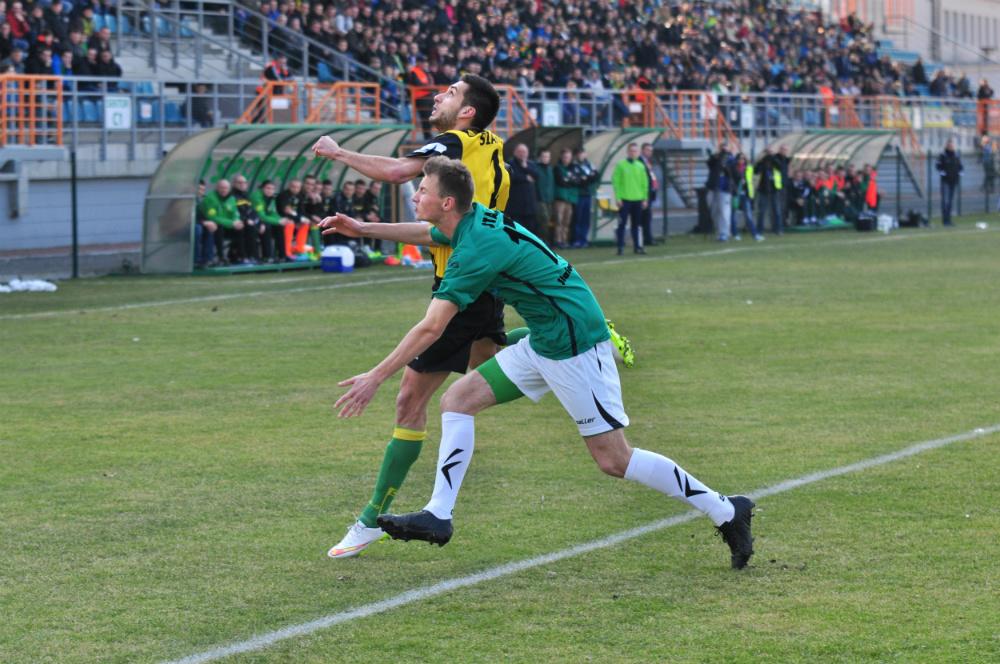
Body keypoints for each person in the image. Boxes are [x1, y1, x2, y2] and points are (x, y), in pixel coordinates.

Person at [319, 156, 756, 570]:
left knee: (613, 459)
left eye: (423, 190)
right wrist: (361, 228)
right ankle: (439, 514)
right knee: (457, 400)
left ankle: (725, 510)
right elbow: (429, 234)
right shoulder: (470, 222)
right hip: (548, 337)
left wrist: (375, 376)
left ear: (446, 203)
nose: (415, 196)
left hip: (573, 343)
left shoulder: (473, 251)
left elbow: (432, 327)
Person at [611, 142, 649, 255]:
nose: (633, 153)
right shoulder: (621, 165)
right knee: (622, 224)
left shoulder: (641, 165)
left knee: (636, 225)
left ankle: (637, 247)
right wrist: (618, 198)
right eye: (631, 151)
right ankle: (620, 247)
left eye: (636, 151)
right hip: (624, 200)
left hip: (638, 199)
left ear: (638, 153)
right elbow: (616, 182)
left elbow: (644, 183)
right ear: (628, 152)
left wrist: (645, 198)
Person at [198, 179, 244, 265]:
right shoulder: (210, 198)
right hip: (215, 226)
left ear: (229, 189)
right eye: (222, 188)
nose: (224, 190)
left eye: (226, 188)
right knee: (219, 227)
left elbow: (235, 213)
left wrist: (237, 221)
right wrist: (231, 223)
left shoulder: (232, 198)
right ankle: (221, 257)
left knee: (242, 227)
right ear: (217, 188)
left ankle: (240, 257)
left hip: (228, 225)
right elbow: (212, 217)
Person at [249, 179, 290, 262]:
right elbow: (261, 215)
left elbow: (272, 213)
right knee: (267, 227)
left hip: (264, 220)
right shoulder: (256, 197)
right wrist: (278, 221)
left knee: (279, 227)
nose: (270, 191)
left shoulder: (272, 198)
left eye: (272, 189)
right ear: (262, 188)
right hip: (254, 220)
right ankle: (267, 257)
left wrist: (281, 220)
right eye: (268, 188)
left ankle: (282, 255)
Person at [505, 142, 540, 236]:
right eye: (520, 151)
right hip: (516, 205)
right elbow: (512, 177)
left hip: (530, 204)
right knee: (517, 229)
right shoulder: (510, 164)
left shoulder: (530, 164)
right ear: (515, 152)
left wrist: (525, 167)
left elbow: (536, 175)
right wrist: (525, 178)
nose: (522, 154)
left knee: (531, 228)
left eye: (524, 151)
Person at [706, 143, 736, 241]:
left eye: (725, 148)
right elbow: (709, 164)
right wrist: (715, 156)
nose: (723, 150)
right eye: (722, 148)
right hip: (713, 187)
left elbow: (734, 172)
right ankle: (719, 231)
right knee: (714, 211)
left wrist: (726, 163)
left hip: (725, 188)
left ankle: (724, 233)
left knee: (724, 211)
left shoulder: (731, 159)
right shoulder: (716, 158)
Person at [571, 147, 599, 248]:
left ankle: (584, 239)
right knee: (578, 218)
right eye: (578, 154)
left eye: (582, 153)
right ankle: (577, 240)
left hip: (588, 194)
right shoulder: (574, 166)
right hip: (579, 195)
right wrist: (588, 178)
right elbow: (579, 181)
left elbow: (595, 176)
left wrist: (586, 178)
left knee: (586, 219)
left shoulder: (590, 165)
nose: (580, 155)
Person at [552, 148, 578, 249]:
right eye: (565, 157)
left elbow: (576, 181)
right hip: (560, 198)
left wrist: (569, 181)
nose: (567, 159)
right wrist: (570, 181)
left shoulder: (572, 168)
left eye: (568, 157)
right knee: (559, 220)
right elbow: (561, 182)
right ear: (561, 157)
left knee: (567, 221)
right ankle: (557, 240)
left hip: (569, 198)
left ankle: (564, 240)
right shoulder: (557, 168)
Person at [936, 139, 963, 227]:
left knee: (950, 201)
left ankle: (949, 220)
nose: (951, 147)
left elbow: (960, 166)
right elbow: (938, 165)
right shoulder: (942, 155)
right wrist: (942, 172)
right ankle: (945, 220)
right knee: (945, 201)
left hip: (954, 180)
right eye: (949, 146)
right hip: (945, 181)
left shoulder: (956, 155)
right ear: (946, 146)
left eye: (952, 145)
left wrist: (961, 172)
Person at [638, 143, 659, 246]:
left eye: (651, 150)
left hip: (650, 193)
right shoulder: (639, 161)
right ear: (642, 150)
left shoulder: (647, 162)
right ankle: (645, 239)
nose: (649, 152)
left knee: (647, 217)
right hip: (643, 194)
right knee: (644, 217)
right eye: (647, 150)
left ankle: (648, 238)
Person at [534, 148, 555, 244]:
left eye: (547, 157)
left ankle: (546, 241)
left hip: (549, 199)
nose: (546, 158)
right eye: (544, 156)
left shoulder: (550, 169)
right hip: (539, 199)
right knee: (543, 220)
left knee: (548, 220)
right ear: (540, 157)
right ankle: (543, 241)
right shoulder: (535, 168)